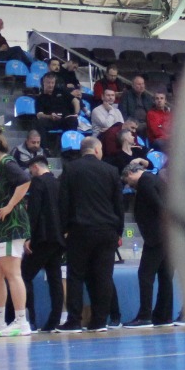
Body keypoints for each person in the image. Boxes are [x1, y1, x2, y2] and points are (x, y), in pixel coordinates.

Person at [59, 136, 123, 332]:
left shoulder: (71, 169)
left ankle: (74, 320)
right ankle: (100, 321)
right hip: (107, 231)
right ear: (97, 150)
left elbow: (64, 202)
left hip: (80, 229)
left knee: (76, 276)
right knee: (104, 276)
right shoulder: (111, 171)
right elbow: (118, 205)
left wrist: (64, 229)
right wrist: (118, 231)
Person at [0, 131, 33, 337]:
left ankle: (21, 321)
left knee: (12, 273)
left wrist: (10, 206)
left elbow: (25, 180)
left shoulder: (8, 163)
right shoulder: (0, 167)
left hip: (11, 228)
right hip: (0, 230)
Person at [123, 159, 175, 326]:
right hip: (166, 236)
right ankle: (164, 315)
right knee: (165, 276)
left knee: (145, 275)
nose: (129, 185)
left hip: (156, 237)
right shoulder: (154, 179)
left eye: (127, 180)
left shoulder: (145, 182)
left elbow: (158, 205)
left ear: (130, 173)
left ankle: (145, 315)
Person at [22, 157, 64, 332]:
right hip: (58, 238)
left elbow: (34, 210)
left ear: (35, 167)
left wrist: (28, 236)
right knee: (55, 279)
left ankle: (29, 318)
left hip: (42, 238)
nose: (30, 173)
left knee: (23, 275)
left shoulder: (38, 182)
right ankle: (54, 320)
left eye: (31, 170)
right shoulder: (58, 183)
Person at [33, 72, 78, 143]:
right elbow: (39, 115)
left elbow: (75, 100)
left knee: (73, 120)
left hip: (65, 118)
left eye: (52, 83)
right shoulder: (40, 98)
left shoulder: (61, 91)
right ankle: (44, 147)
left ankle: (70, 146)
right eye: (48, 83)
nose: (51, 85)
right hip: (51, 120)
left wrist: (76, 113)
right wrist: (49, 116)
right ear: (43, 83)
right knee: (39, 122)